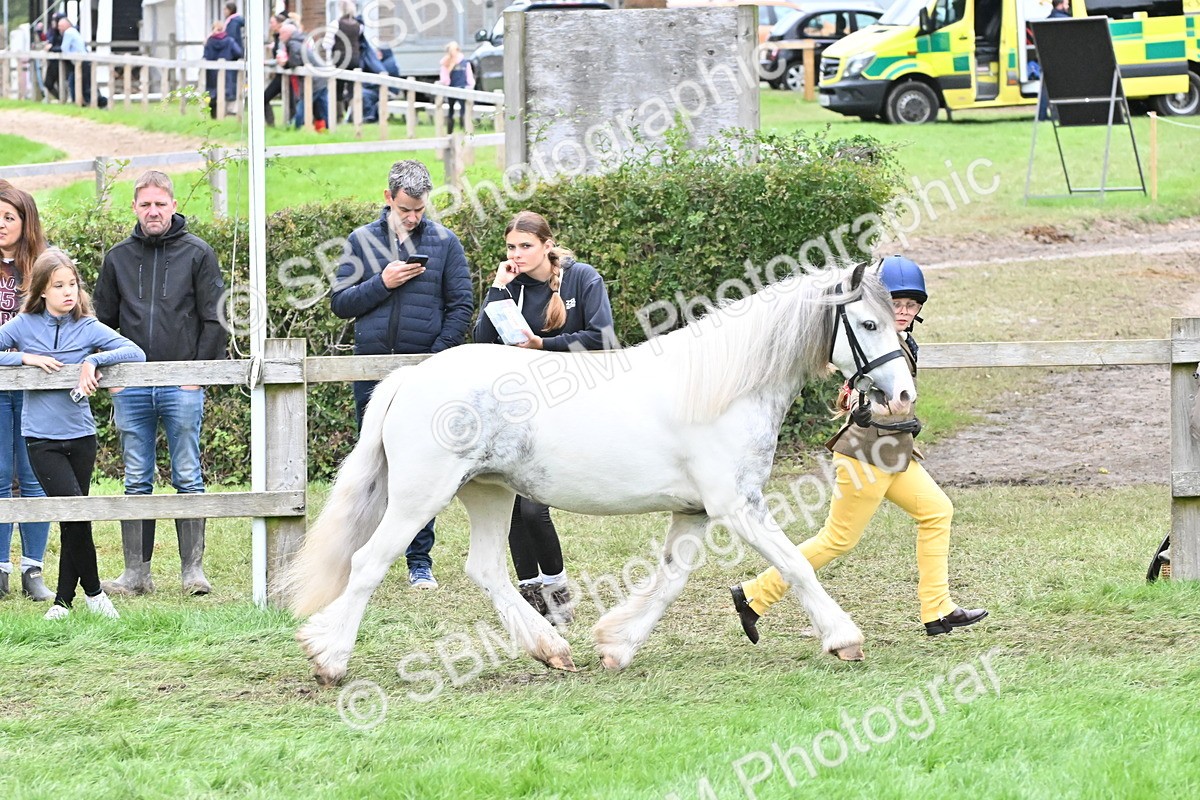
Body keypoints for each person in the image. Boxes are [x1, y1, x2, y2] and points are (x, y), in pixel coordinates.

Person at [730, 256, 988, 641]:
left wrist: (904, 421)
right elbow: (853, 391)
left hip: (895, 454)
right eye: (896, 304)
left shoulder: (903, 340)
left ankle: (937, 609)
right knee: (838, 539)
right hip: (865, 457)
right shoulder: (871, 339)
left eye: (911, 305)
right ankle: (754, 594)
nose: (903, 311)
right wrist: (866, 407)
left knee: (937, 511)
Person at [331, 160, 473, 590]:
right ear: (388, 198)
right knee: (371, 464)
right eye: (405, 208)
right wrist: (384, 282)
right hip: (370, 370)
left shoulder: (446, 244)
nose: (413, 216)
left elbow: (461, 306)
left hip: (422, 374)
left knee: (421, 467)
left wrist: (432, 362)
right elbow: (341, 303)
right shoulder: (360, 241)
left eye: (420, 208)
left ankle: (419, 561)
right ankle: (362, 552)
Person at [472, 210, 616, 625]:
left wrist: (543, 345)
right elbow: (483, 342)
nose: (516, 255)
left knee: (535, 507)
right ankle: (530, 595)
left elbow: (603, 337)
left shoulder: (582, 278)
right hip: (519, 405)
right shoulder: (510, 285)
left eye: (526, 246)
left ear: (547, 245)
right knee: (512, 504)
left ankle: (557, 592)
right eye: (511, 247)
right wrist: (497, 288)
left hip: (571, 401)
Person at [93, 171, 228, 597]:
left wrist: (196, 376)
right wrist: (113, 378)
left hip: (181, 383)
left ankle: (193, 572)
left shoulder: (198, 253)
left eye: (160, 203)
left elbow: (216, 319)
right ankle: (137, 574)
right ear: (134, 207)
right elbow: (101, 324)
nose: (153, 211)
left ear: (173, 206)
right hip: (130, 386)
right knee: (136, 477)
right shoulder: (117, 258)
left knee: (188, 474)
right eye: (145, 204)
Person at [0, 248, 146, 620]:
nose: (69, 292)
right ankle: (95, 594)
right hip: (40, 438)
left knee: (73, 518)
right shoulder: (25, 325)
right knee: (75, 513)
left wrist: (94, 359)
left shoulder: (87, 326)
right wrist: (25, 358)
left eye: (73, 285)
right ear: (42, 290)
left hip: (81, 436)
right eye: (59, 285)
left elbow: (135, 352)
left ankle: (64, 602)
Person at [0, 186, 53, 601]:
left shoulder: (44, 268)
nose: (1, 225)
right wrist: (21, 360)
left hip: (37, 390)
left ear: (25, 222)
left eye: (9, 217)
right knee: (0, 477)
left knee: (35, 477)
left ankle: (32, 569)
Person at [57, 15, 107, 108]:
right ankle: (80, 103)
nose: (58, 28)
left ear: (66, 25)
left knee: (84, 85)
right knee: (76, 82)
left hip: (81, 61)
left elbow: (64, 48)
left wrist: (53, 49)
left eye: (60, 26)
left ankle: (98, 103)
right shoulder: (74, 31)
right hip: (83, 60)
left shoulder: (68, 32)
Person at [203, 19, 243, 119]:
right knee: (226, 92)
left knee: (213, 93)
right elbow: (238, 52)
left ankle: (214, 116)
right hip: (227, 72)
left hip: (212, 74)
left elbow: (205, 56)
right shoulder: (229, 41)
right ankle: (226, 114)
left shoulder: (210, 42)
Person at [329, 1, 363, 119]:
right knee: (352, 87)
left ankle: (338, 115)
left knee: (337, 86)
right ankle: (353, 115)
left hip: (340, 59)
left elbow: (327, 44)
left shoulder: (336, 24)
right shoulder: (359, 25)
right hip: (354, 58)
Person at [439, 42, 474, 134]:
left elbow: (469, 75)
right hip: (451, 89)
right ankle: (449, 130)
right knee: (451, 110)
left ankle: (464, 129)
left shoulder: (464, 63)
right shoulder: (445, 62)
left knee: (464, 110)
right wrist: (446, 83)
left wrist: (470, 86)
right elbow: (444, 77)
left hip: (462, 88)